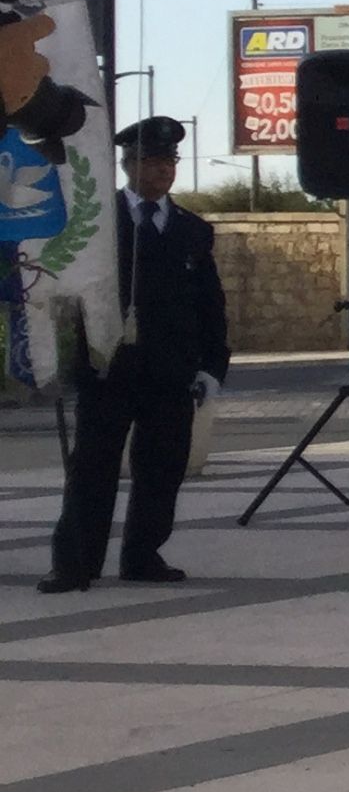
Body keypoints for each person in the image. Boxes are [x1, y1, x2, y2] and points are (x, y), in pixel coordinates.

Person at [42, 117, 229, 592]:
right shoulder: (99, 223)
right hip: (109, 365)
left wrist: (212, 366)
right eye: (152, 161)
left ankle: (143, 555)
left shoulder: (191, 230)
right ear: (128, 166)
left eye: (170, 162)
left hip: (170, 369)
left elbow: (210, 304)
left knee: (163, 466)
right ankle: (76, 562)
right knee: (93, 467)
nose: (163, 171)